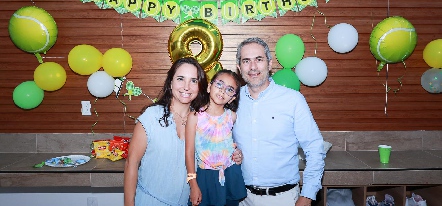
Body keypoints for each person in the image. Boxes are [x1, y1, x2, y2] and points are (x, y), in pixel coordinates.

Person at [124, 57, 243, 206]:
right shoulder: (152, 116)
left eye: (193, 80)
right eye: (181, 79)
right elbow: (131, 163)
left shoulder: (202, 120)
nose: (187, 87)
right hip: (149, 200)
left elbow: (219, 144)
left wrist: (235, 154)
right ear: (171, 82)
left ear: (200, 86)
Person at [233, 37, 325, 206]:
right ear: (239, 68)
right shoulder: (232, 100)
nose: (253, 67)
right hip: (242, 198)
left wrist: (308, 195)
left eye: (258, 59)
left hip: (284, 198)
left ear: (269, 64)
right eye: (246, 61)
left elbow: (314, 148)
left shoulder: (293, 100)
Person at [185, 69, 247, 206]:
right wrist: (193, 184)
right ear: (209, 87)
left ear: (233, 98)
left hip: (230, 174)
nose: (223, 91)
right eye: (219, 84)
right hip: (205, 176)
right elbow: (189, 152)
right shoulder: (195, 117)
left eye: (229, 89)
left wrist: (238, 154)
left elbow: (235, 144)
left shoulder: (232, 116)